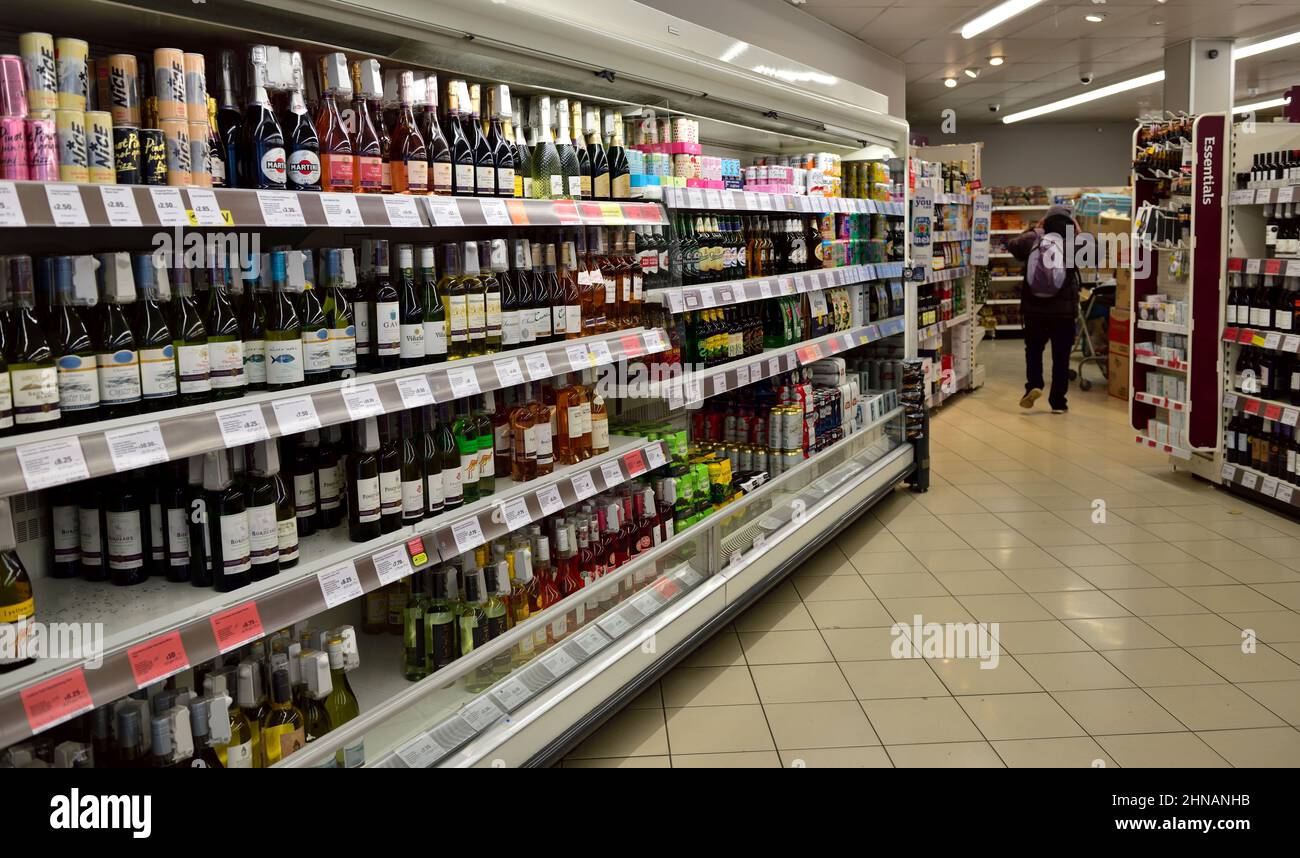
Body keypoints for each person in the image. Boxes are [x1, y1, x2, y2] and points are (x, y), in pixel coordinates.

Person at [1006, 204, 1082, 414]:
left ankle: (1034, 386)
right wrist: (1078, 231)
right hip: (1063, 311)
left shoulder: (1033, 239)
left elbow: (1012, 245)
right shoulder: (1072, 242)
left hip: (1034, 309)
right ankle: (1058, 402)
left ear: (1045, 221)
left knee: (1033, 350)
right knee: (1061, 356)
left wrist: (1035, 230)